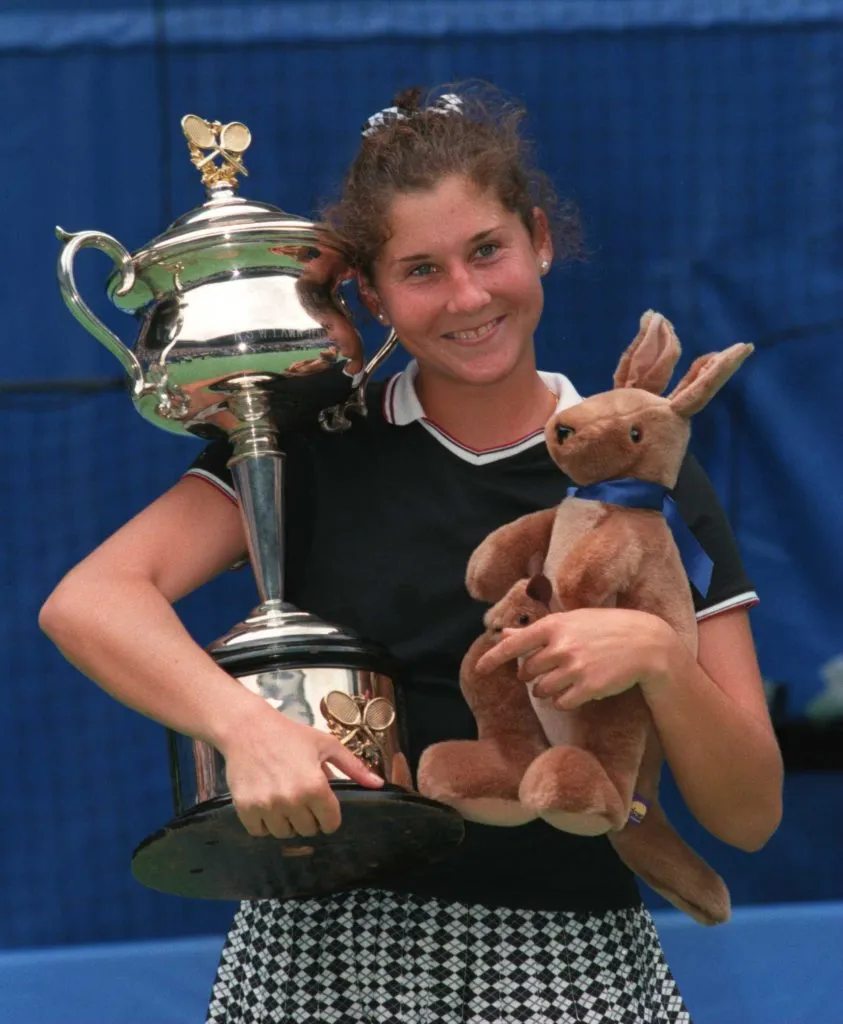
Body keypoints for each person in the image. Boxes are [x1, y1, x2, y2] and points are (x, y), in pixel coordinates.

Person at [40, 85, 783, 1023]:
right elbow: (91, 600)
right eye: (421, 270)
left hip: (573, 972)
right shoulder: (306, 441)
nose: (467, 297)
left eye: (487, 251)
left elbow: (749, 814)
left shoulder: (644, 469)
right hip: (316, 969)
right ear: (371, 292)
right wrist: (246, 727)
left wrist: (663, 663)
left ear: (539, 239)